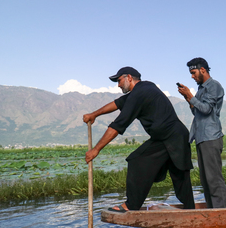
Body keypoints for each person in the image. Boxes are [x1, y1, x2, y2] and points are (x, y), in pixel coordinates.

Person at [84, 67, 195, 212]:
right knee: (179, 177)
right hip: (172, 136)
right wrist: (94, 115)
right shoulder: (145, 87)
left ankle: (131, 206)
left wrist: (96, 150)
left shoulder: (138, 94)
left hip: (171, 137)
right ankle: (191, 211)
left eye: (119, 81)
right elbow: (117, 104)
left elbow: (118, 125)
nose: (118, 85)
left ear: (129, 77)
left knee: (138, 162)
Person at [177, 57, 226, 208]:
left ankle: (221, 213)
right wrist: (188, 98)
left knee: (214, 179)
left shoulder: (214, 86)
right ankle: (213, 211)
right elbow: (197, 112)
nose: (192, 76)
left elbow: (206, 110)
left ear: (203, 70)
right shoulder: (201, 90)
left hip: (211, 137)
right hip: (201, 138)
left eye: (193, 73)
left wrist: (191, 96)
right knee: (206, 180)